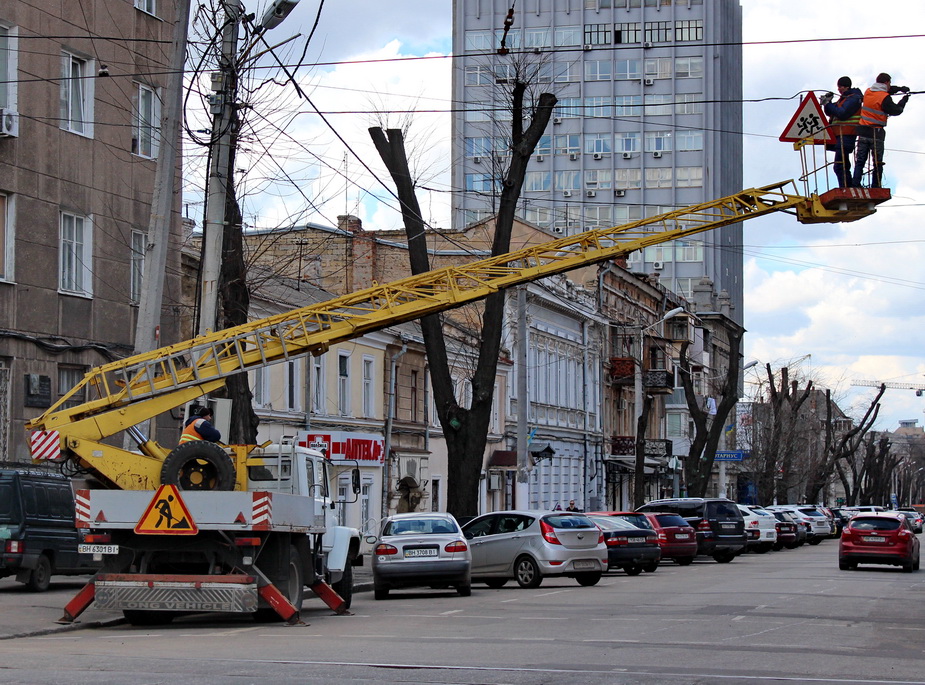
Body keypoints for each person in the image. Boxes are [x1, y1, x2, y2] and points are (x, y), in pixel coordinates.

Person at [851, 72, 910, 188]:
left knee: (860, 161)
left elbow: (887, 90)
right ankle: (876, 185)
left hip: (862, 131)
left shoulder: (868, 91)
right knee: (877, 162)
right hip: (876, 133)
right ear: (887, 82)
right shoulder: (885, 98)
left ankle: (855, 183)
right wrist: (904, 100)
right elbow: (896, 110)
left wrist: (899, 89)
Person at [820, 76, 862, 188]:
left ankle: (846, 187)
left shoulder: (853, 98)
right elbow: (832, 112)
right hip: (841, 135)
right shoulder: (845, 99)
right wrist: (828, 103)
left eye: (840, 87)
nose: (838, 89)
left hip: (847, 134)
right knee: (842, 164)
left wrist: (828, 104)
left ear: (846, 86)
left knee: (840, 165)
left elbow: (842, 113)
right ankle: (847, 186)